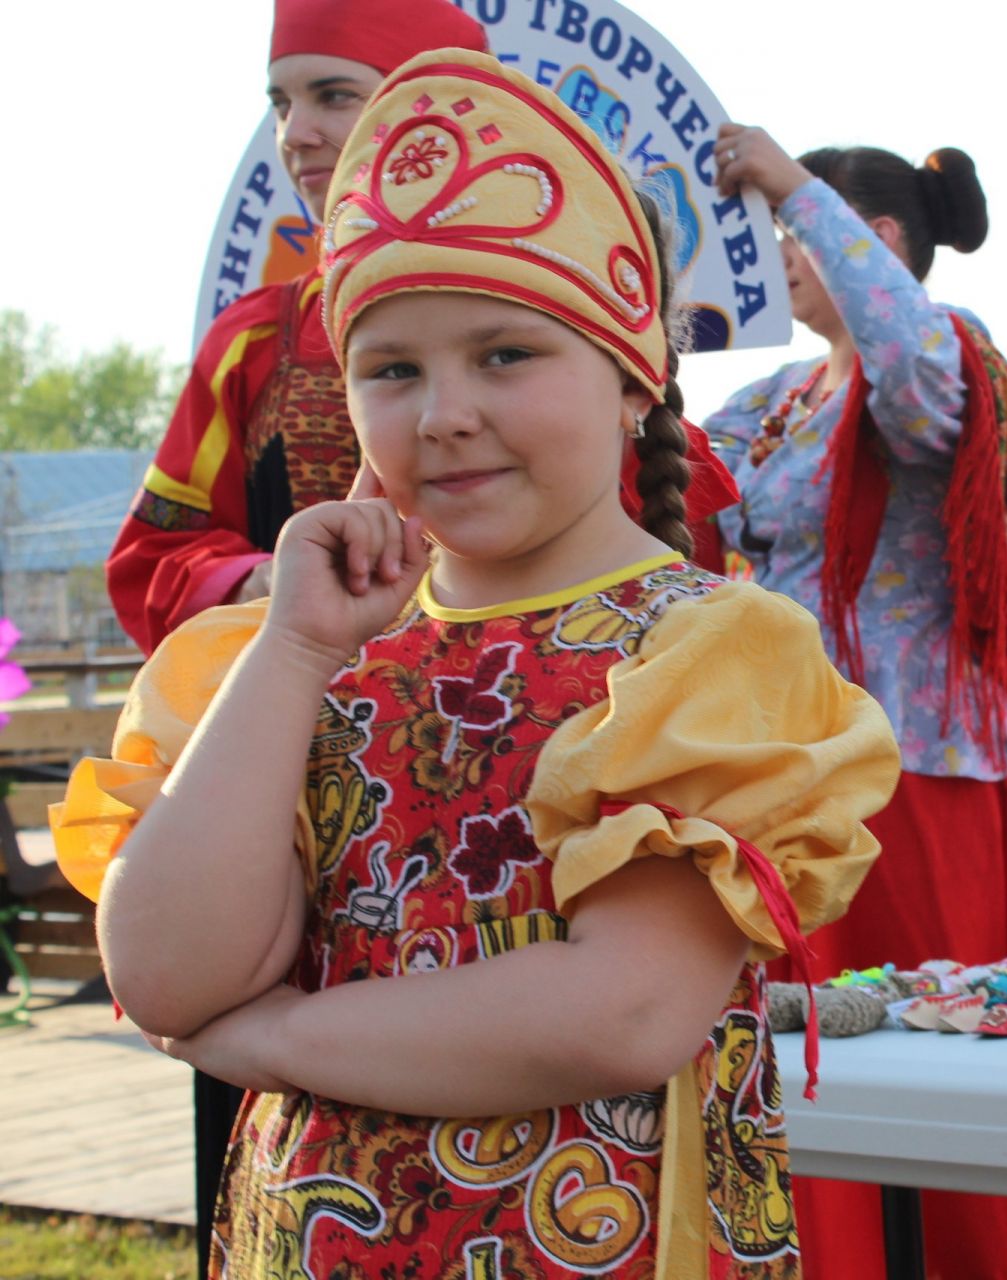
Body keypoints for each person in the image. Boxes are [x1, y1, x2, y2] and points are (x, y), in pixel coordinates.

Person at [53, 49, 898, 1278]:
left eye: (504, 353)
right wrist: (291, 651)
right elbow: (169, 970)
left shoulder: (706, 650)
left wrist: (280, 1030)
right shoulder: (287, 651)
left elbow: (621, 1011)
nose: (442, 409)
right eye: (392, 369)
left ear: (634, 376)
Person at [704, 127, 1007, 1279]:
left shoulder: (952, 359)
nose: (781, 255)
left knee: (932, 1056)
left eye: (795, 231)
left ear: (874, 240)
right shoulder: (776, 400)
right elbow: (669, 478)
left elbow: (917, 376)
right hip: (792, 775)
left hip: (916, 773)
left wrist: (788, 177)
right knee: (808, 1061)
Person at [106, 0, 490, 654]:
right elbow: (155, 555)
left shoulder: (560, 316)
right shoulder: (253, 341)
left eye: (334, 96)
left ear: (436, 110)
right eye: (281, 104)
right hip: (300, 728)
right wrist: (264, 581)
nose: (294, 134)